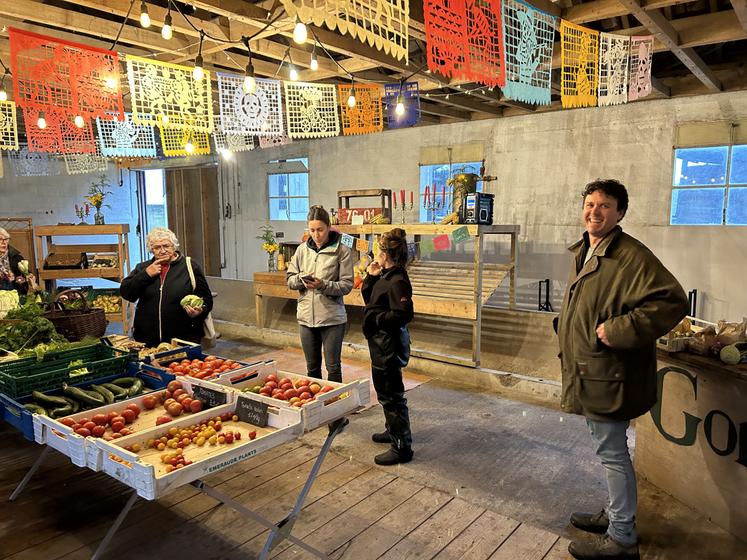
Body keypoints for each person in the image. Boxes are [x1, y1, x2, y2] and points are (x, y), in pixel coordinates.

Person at [555, 180, 689, 560]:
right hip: (591, 369)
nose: (594, 211)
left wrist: (616, 330)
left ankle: (622, 538)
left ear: (620, 213)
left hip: (608, 373)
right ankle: (616, 516)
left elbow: (672, 300)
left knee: (613, 453)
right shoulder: (587, 248)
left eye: (605, 205)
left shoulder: (630, 256)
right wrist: (565, 325)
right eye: (590, 203)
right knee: (609, 452)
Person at [362, 228, 414, 466]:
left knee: (393, 396)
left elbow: (403, 314)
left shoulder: (398, 280)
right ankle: (391, 430)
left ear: (385, 253)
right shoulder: (387, 275)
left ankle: (402, 446)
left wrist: (377, 320)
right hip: (380, 345)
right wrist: (371, 276)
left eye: (379, 249)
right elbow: (372, 300)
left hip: (389, 346)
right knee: (385, 392)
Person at [286, 206, 353, 383]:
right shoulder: (301, 250)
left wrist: (323, 285)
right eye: (312, 230)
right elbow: (290, 280)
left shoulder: (342, 250)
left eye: (320, 230)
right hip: (306, 318)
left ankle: (335, 406)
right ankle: (315, 407)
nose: (316, 235)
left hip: (332, 318)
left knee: (333, 367)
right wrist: (301, 279)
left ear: (329, 227)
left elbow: (347, 285)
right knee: (312, 368)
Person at [120, 227, 213, 348]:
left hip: (182, 340)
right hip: (147, 342)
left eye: (166, 246)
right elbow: (127, 293)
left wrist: (199, 311)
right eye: (157, 247)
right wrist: (146, 274)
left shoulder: (190, 266)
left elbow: (206, 299)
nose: (162, 251)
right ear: (151, 250)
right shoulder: (143, 268)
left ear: (174, 247)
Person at [0, 227, 37, 295]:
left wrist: (24, 279)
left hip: (15, 296)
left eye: (6, 239)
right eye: (0, 239)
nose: (4, 242)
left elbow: (27, 277)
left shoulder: (17, 258)